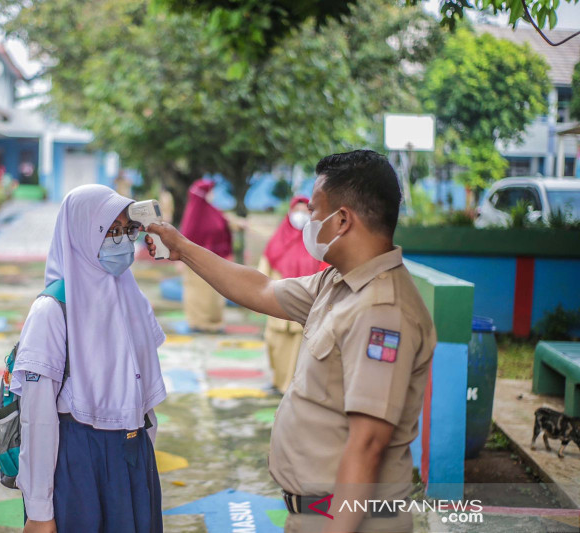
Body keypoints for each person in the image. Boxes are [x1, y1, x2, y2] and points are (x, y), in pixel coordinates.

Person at [148, 150, 437, 533]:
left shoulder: (382, 311)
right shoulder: (339, 281)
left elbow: (367, 445)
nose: (308, 221)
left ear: (343, 220)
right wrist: (181, 247)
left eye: (315, 211)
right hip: (317, 511)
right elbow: (262, 288)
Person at [11, 184, 166, 533]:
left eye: (128, 231)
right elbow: (37, 418)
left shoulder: (131, 297)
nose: (122, 242)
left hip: (134, 459)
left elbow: (141, 389)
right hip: (78, 463)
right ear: (80, 233)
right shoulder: (51, 311)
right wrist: (39, 510)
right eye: (109, 232)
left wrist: (143, 461)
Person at [257, 196, 328, 394]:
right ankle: (277, 381)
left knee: (297, 352)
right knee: (275, 345)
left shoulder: (316, 243)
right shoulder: (277, 241)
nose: (300, 216)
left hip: (303, 309)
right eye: (297, 211)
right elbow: (263, 271)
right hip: (276, 305)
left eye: (306, 212)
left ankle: (290, 387)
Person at [179, 178, 232, 332]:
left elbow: (224, 226)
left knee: (214, 294)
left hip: (216, 261)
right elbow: (185, 237)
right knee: (197, 293)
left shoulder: (213, 211)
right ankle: (197, 323)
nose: (213, 195)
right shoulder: (193, 214)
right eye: (210, 192)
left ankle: (214, 323)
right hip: (194, 262)